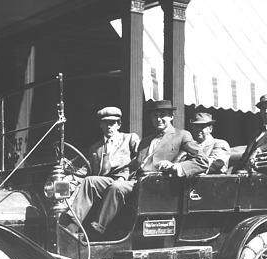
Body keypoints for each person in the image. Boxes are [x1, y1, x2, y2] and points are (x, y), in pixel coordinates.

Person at [82, 100, 207, 237]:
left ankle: (96, 231)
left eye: (163, 115)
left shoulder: (182, 135)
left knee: (117, 187)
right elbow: (133, 166)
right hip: (134, 182)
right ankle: (71, 225)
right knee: (91, 181)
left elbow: (202, 161)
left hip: (154, 185)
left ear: (171, 116)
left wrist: (175, 166)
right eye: (155, 116)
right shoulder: (146, 141)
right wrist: (122, 177)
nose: (158, 119)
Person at [68, 106, 140, 228]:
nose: (109, 127)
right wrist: (71, 176)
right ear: (100, 125)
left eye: (112, 123)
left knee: (101, 183)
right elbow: (87, 169)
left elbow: (141, 157)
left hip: (123, 182)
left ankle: (95, 228)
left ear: (119, 124)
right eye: (105, 123)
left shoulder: (129, 139)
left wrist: (125, 175)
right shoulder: (96, 147)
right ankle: (72, 224)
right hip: (103, 183)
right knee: (89, 181)